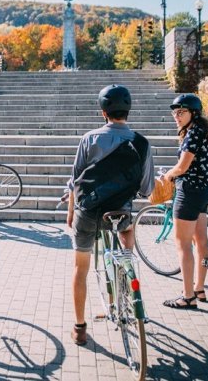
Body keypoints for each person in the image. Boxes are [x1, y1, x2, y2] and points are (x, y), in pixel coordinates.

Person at [65, 85, 154, 345]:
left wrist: (71, 212)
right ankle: (128, 272)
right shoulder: (141, 143)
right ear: (127, 111)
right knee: (127, 231)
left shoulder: (89, 139)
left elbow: (75, 181)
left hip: (89, 212)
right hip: (120, 213)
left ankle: (80, 328)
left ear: (103, 112)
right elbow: (147, 188)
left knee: (80, 269)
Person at [159, 94, 208, 309]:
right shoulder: (202, 132)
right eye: (175, 112)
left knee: (183, 244)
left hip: (189, 192)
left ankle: (188, 296)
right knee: (201, 241)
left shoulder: (192, 134)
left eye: (181, 112)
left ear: (193, 113)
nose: (176, 116)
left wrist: (168, 176)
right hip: (202, 191)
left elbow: (182, 167)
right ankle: (199, 288)